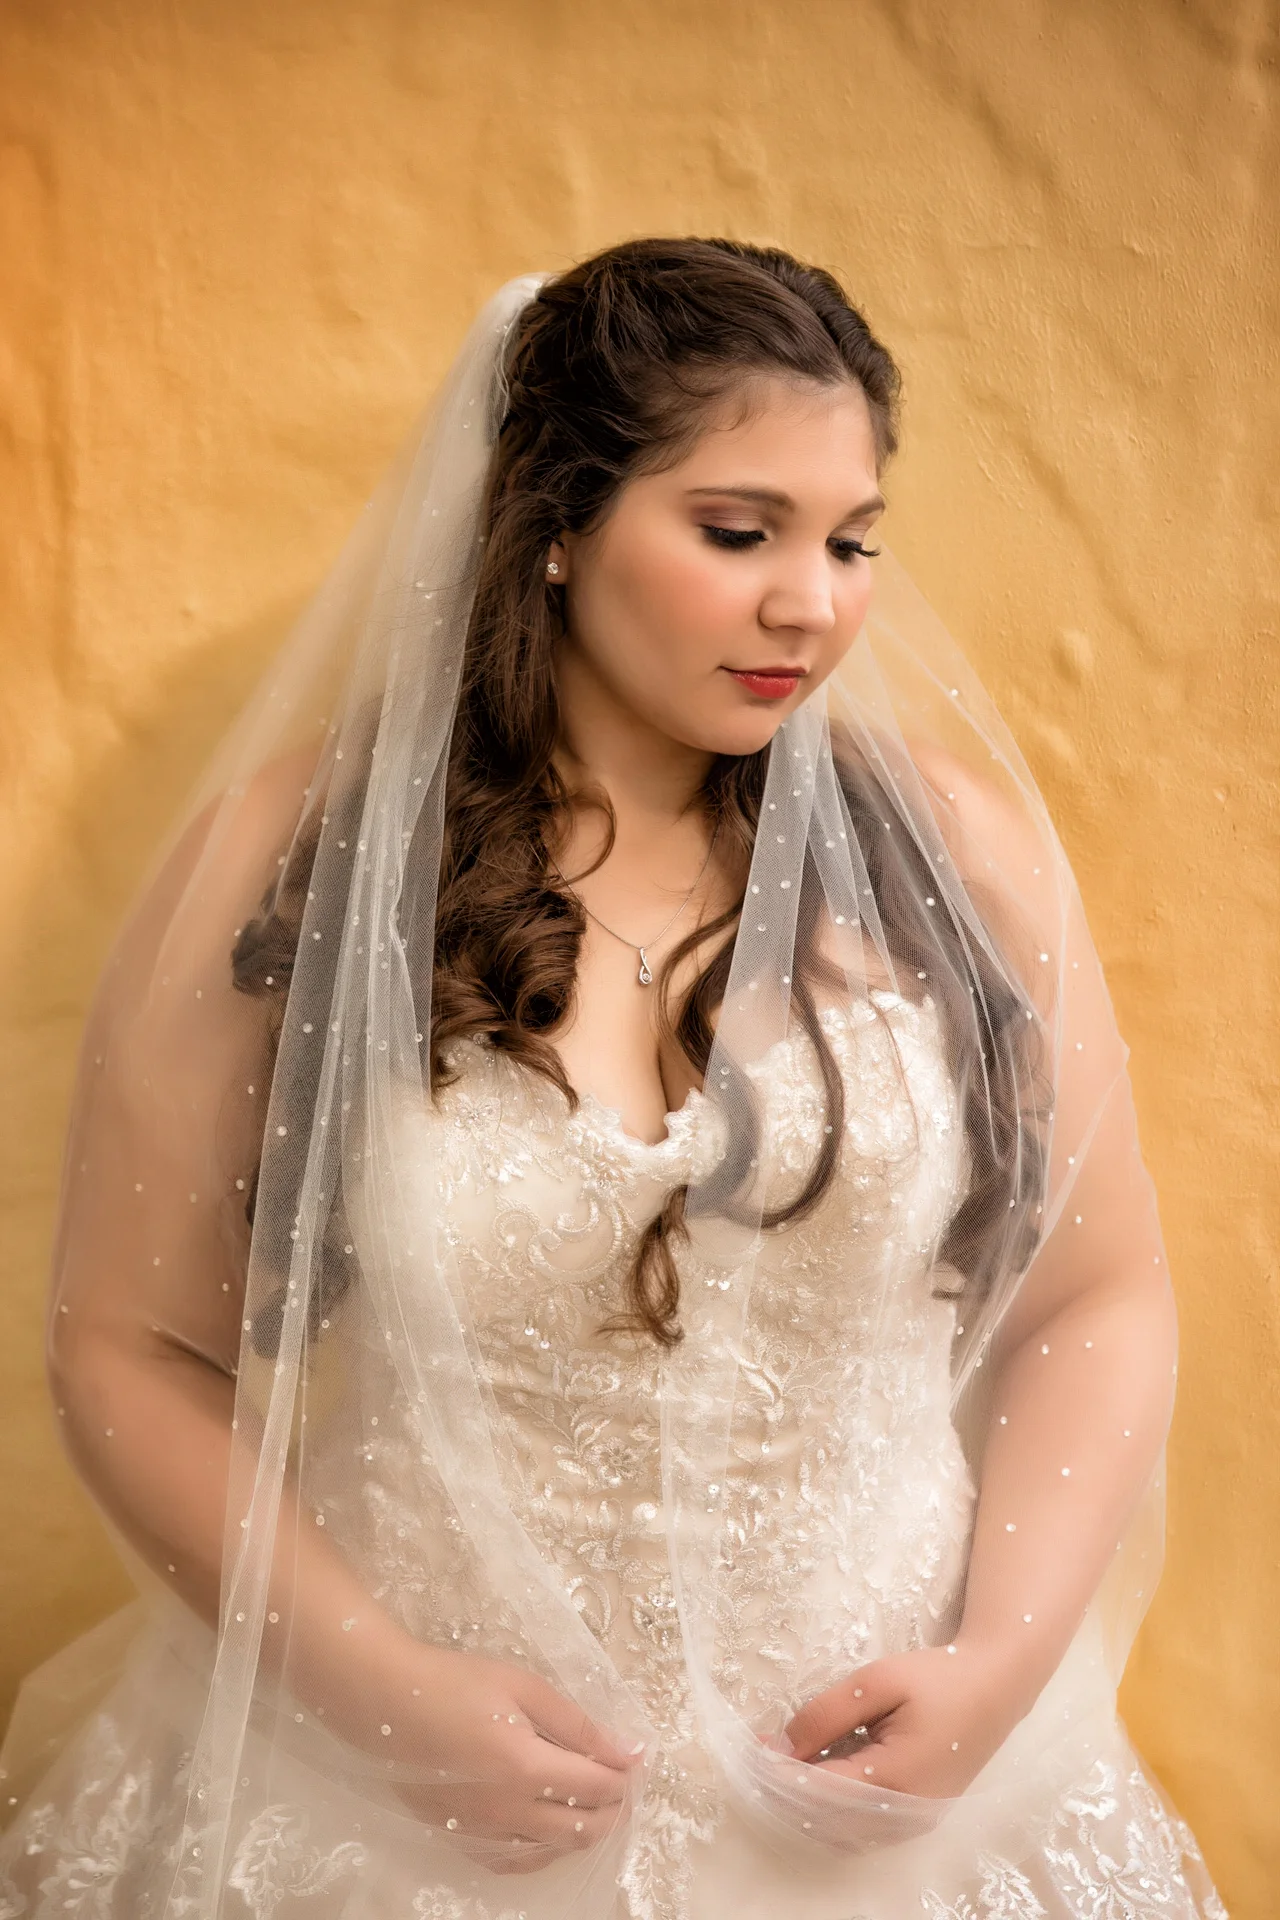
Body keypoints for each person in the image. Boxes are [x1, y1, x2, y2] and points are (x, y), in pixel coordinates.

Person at [0, 238, 1225, 1919]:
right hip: (399, 1802)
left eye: (850, 539)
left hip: (883, 1800)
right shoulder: (294, 867)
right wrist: (378, 1691)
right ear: (559, 522)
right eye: (739, 531)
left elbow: (1097, 1294)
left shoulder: (959, 858)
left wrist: (1002, 1663)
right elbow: (129, 1345)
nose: (813, 602)